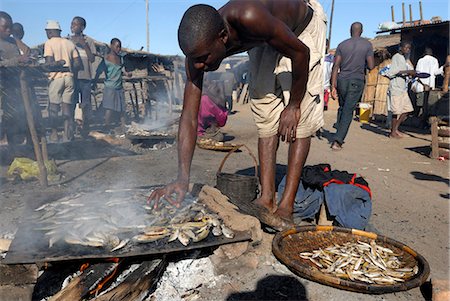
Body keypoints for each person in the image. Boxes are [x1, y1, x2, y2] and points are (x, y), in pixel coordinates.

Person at [149, 0, 327, 222]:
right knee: (265, 115)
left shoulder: (250, 18)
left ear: (223, 36)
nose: (198, 66)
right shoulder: (197, 51)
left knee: (299, 122)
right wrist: (182, 177)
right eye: (194, 59)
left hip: (301, 32)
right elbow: (189, 117)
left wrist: (293, 106)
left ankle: (286, 206)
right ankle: (266, 199)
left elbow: (301, 53)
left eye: (203, 59)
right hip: (267, 39)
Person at [330, 22, 374, 151]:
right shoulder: (367, 45)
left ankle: (339, 127)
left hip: (341, 80)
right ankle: (338, 141)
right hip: (356, 80)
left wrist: (333, 86)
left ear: (350, 30)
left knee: (343, 107)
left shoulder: (342, 45)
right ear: (361, 31)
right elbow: (371, 66)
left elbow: (335, 66)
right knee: (348, 110)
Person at [44, 20, 81, 142]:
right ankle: (67, 134)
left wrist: (57, 64)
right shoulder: (70, 44)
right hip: (69, 78)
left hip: (56, 78)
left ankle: (54, 134)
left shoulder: (49, 43)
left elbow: (49, 64)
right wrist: (69, 69)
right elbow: (77, 63)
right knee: (67, 108)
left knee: (53, 108)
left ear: (50, 32)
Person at [0, 12, 30, 145]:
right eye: (5, 27)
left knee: (13, 119)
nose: (8, 30)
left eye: (10, 28)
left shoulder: (12, 41)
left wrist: (16, 39)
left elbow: (26, 51)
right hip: (2, 87)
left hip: (13, 87)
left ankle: (13, 151)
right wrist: (17, 60)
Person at [93, 38, 129, 132]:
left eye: (120, 47)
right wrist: (94, 83)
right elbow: (98, 72)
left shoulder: (120, 58)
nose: (119, 49)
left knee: (122, 108)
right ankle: (106, 126)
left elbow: (121, 70)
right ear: (111, 46)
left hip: (119, 86)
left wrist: (126, 74)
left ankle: (123, 126)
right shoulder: (106, 59)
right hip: (110, 87)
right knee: (109, 108)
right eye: (117, 46)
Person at [69, 16, 96, 136]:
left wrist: (84, 45)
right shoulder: (67, 41)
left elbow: (92, 58)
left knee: (86, 104)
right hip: (73, 76)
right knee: (72, 102)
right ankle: (73, 127)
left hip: (85, 77)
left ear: (82, 27)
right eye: (72, 24)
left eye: (76, 24)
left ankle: (86, 128)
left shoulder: (88, 41)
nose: (73, 26)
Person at [386, 41, 416, 138]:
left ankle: (395, 129)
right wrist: (408, 71)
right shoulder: (396, 57)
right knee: (396, 111)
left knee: (407, 109)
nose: (407, 50)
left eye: (409, 48)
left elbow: (401, 72)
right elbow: (392, 72)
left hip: (402, 88)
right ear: (401, 48)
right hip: (396, 88)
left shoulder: (403, 58)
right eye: (406, 48)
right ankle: (393, 132)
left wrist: (409, 74)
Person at [411, 48, 439, 127]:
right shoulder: (434, 60)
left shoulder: (420, 60)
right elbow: (436, 72)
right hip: (429, 86)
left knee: (420, 105)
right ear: (431, 53)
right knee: (426, 106)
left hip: (421, 86)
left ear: (424, 53)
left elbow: (417, 73)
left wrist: (422, 84)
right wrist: (443, 67)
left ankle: (420, 122)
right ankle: (422, 123)